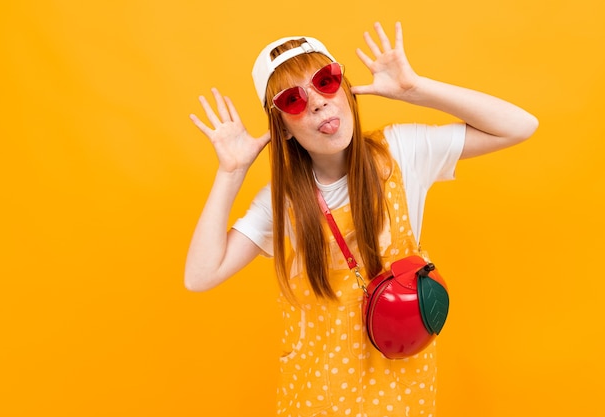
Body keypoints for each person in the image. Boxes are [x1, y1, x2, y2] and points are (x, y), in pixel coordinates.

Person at [185, 21, 538, 417]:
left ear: (347, 90)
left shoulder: (402, 153)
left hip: (400, 392)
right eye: (292, 101)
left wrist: (415, 90)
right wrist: (230, 173)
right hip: (316, 397)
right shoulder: (280, 203)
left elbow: (520, 126)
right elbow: (200, 276)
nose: (317, 101)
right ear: (281, 128)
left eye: (325, 80)